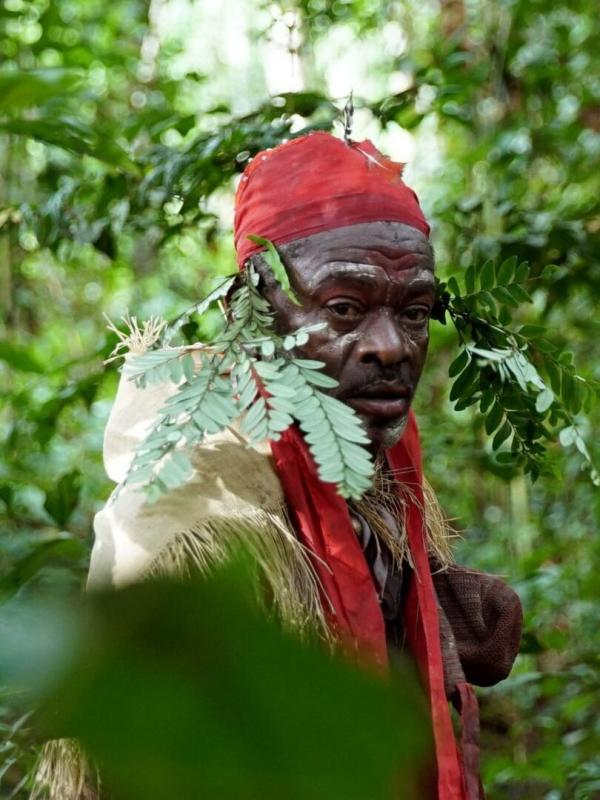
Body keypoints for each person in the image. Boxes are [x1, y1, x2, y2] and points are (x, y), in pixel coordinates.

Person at [40, 132, 522, 800]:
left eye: (413, 312)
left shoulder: (367, 450)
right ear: (259, 309)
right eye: (345, 309)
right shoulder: (194, 512)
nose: (390, 347)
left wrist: (432, 605)